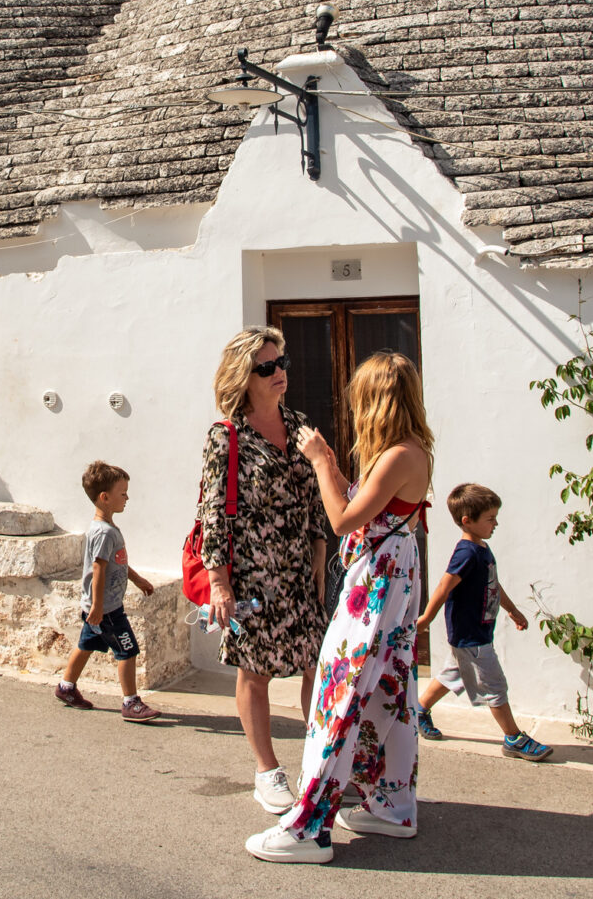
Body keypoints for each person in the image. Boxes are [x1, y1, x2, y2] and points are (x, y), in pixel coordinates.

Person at [244, 350, 435, 864]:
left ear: (376, 400)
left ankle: (309, 829)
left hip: (375, 588)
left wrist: (322, 462)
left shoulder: (398, 455)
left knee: (340, 695)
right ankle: (392, 806)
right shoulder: (409, 450)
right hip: (391, 581)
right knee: (388, 692)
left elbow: (343, 520)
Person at [200, 327, 332, 814]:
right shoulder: (227, 436)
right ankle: (267, 771)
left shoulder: (301, 426)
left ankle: (320, 763)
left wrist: (320, 554)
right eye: (267, 368)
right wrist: (219, 581)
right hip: (253, 576)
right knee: (254, 672)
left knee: (315, 669)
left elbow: (317, 494)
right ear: (244, 377)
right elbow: (212, 511)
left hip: (301, 572)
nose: (280, 373)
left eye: (282, 364)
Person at [414, 483, 552, 762]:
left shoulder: (482, 549)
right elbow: (444, 585)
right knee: (494, 684)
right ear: (468, 521)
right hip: (470, 633)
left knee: (452, 673)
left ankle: (418, 710)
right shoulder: (466, 553)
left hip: (477, 631)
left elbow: (493, 584)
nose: (496, 523)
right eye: (490, 518)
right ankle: (513, 737)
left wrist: (512, 610)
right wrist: (426, 618)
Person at [54, 460, 162, 722]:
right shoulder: (104, 532)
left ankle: (66, 687)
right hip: (108, 610)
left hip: (99, 607)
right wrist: (98, 607)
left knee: (87, 644)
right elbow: (99, 569)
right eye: (122, 493)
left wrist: (137, 580)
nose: (127, 498)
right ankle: (131, 703)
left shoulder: (106, 529)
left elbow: (118, 563)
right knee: (128, 651)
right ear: (104, 498)